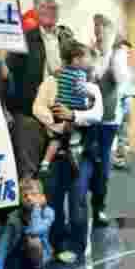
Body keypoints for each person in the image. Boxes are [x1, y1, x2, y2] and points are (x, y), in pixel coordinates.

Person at [32, 46, 103, 265]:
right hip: (57, 152)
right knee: (53, 199)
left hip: (81, 152)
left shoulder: (90, 87)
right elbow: (37, 107)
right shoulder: (51, 82)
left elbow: (97, 114)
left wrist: (73, 115)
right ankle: (58, 243)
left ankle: (77, 245)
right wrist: (56, 123)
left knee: (77, 201)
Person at [6, 0, 76, 179]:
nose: (51, 11)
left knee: (58, 170)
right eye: (45, 7)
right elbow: (11, 76)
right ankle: (31, 203)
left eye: (54, 7)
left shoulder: (66, 38)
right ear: (36, 10)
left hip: (61, 108)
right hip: (30, 112)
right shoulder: (23, 39)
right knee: (29, 170)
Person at [38, 40, 92, 179]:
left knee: (55, 138)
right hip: (74, 108)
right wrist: (90, 93)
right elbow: (80, 90)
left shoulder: (61, 72)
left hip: (59, 107)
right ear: (76, 60)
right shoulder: (80, 75)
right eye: (87, 58)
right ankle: (74, 153)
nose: (89, 61)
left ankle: (45, 162)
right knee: (79, 132)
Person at [89, 16, 124, 226]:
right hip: (88, 120)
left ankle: (98, 208)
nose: (97, 34)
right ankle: (86, 206)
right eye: (95, 29)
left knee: (102, 168)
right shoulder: (92, 52)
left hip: (107, 122)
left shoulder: (116, 55)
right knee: (86, 167)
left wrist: (110, 52)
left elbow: (120, 79)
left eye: (100, 29)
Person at [0, 177, 53, 269]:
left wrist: (36, 208)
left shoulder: (48, 213)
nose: (29, 198)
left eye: (34, 194)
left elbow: (35, 230)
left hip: (38, 254)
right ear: (20, 199)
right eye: (25, 196)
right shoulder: (14, 217)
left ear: (42, 197)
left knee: (33, 240)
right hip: (17, 255)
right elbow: (2, 247)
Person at [110, 39, 135, 170]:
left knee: (123, 134)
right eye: (123, 51)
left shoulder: (130, 71)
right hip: (113, 107)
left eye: (128, 52)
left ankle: (120, 159)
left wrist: (132, 93)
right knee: (109, 133)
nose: (126, 54)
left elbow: (130, 87)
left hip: (126, 106)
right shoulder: (111, 67)